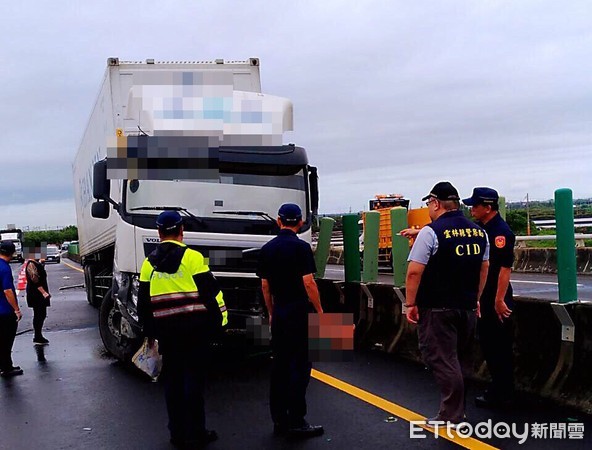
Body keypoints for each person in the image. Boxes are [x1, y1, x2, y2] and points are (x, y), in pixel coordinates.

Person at [137, 211, 227, 449]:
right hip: (195, 331)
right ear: (181, 231)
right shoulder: (194, 258)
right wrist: (218, 326)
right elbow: (212, 294)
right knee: (194, 383)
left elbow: (143, 303)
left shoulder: (149, 263)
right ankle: (197, 432)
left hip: (167, 333)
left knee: (173, 383)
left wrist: (149, 333)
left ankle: (176, 433)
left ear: (159, 232)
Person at [404, 182, 489, 426]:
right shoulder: (478, 232)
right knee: (462, 359)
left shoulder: (432, 232)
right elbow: (484, 269)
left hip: (438, 307)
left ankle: (451, 414)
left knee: (441, 358)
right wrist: (476, 298)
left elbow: (414, 272)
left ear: (435, 203)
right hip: (467, 306)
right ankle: (458, 411)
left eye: (428, 203)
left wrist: (411, 304)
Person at [257, 203, 324, 439]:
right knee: (301, 365)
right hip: (299, 311)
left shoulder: (267, 249)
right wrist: (320, 310)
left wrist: (271, 311)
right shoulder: (302, 248)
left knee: (280, 367)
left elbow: (265, 286)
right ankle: (297, 420)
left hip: (281, 311)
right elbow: (308, 283)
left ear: (278, 221)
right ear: (299, 222)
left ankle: (279, 420)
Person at [462, 187, 516, 408]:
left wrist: (499, 300)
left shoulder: (500, 232)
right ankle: (499, 389)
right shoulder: (481, 228)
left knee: (499, 347)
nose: (472, 209)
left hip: (496, 297)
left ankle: (503, 393)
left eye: (475, 205)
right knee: (489, 345)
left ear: (488, 207)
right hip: (484, 296)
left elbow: (505, 269)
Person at [0, 241, 24, 377]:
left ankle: (3, 365)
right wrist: (16, 309)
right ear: (12, 253)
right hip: (4, 311)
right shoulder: (4, 268)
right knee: (6, 340)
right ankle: (7, 368)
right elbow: (8, 290)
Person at [25, 244, 51, 345]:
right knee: (39, 314)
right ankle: (37, 335)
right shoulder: (31, 264)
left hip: (39, 293)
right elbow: (35, 280)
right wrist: (44, 292)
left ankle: (38, 335)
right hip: (36, 294)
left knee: (42, 314)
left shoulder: (37, 263)